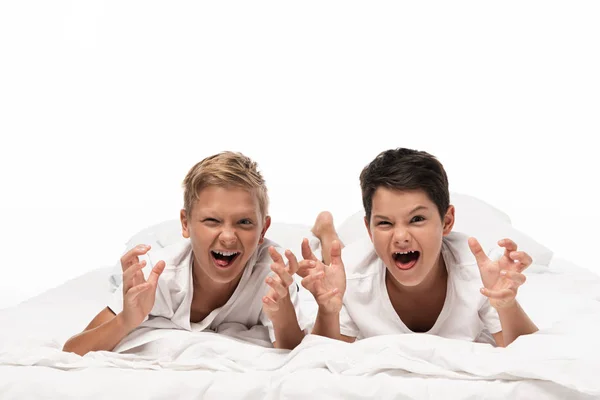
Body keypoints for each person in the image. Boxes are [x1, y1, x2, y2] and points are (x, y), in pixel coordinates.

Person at [63, 151, 306, 356]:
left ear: (263, 229)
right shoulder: (157, 275)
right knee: (127, 265)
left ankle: (322, 232)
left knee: (303, 244)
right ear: (185, 223)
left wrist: (283, 311)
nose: (229, 236)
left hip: (224, 245)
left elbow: (292, 351)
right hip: (163, 249)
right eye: (212, 220)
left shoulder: (272, 275)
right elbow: (73, 350)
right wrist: (126, 319)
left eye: (244, 222)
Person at [299, 147, 538, 347]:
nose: (401, 237)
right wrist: (327, 310)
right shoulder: (352, 274)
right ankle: (326, 231)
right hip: (354, 262)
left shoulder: (479, 272)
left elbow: (525, 350)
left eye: (417, 219)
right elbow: (326, 355)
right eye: (385, 223)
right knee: (336, 260)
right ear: (369, 230)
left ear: (447, 222)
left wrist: (507, 305)